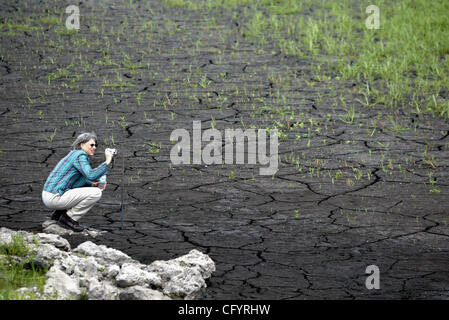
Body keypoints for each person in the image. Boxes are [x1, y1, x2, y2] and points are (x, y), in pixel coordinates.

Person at [41, 132, 115, 232]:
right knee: (96, 193)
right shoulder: (80, 156)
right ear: (82, 145)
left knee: (92, 188)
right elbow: (91, 175)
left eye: (95, 145)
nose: (94, 147)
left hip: (48, 195)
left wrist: (92, 184)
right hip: (54, 198)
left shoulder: (73, 154)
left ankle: (58, 213)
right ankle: (68, 218)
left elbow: (77, 178)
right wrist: (107, 161)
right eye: (91, 145)